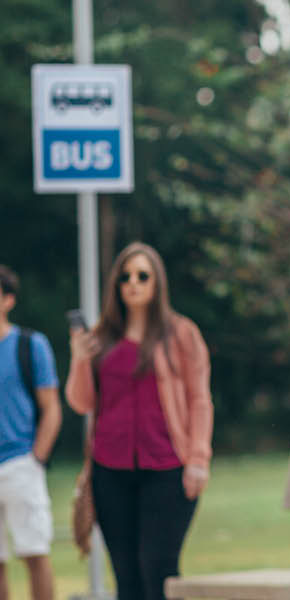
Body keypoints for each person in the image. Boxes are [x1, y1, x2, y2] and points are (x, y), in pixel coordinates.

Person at [65, 242, 213, 600]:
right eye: (125, 277)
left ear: (157, 282)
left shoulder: (181, 333)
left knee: (158, 571)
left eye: (142, 276)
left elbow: (199, 400)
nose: (133, 283)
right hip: (109, 471)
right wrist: (79, 359)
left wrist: (198, 460)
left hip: (167, 468)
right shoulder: (100, 337)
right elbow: (82, 402)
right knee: (126, 578)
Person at [0, 265, 60, 600]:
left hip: (20, 462)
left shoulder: (30, 345)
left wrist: (36, 458)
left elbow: (51, 406)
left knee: (34, 553)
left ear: (8, 300)